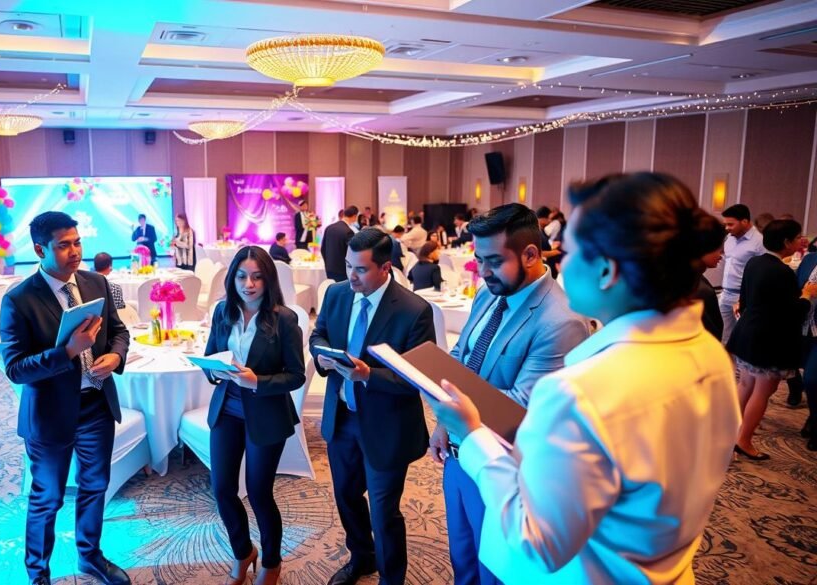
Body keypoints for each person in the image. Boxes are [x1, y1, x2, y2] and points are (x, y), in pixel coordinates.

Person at [427, 172, 741, 584]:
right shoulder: (708, 354)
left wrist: (472, 435)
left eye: (569, 252)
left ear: (608, 271)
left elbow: (537, 542)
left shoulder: (582, 390)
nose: (559, 261)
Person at [429, 201, 589, 585]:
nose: (482, 272)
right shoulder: (489, 294)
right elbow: (460, 357)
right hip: (459, 454)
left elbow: (521, 409)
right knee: (462, 562)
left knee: (494, 572)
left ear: (531, 254)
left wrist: (458, 415)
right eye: (478, 259)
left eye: (493, 261)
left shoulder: (561, 320)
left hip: (507, 470)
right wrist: (442, 423)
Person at [0, 211, 132, 585]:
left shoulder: (97, 283)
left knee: (95, 486)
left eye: (77, 242)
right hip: (49, 415)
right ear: (40, 249)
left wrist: (116, 356)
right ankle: (38, 573)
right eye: (64, 245)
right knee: (47, 498)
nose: (75, 252)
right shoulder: (19, 300)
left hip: (96, 405)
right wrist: (68, 352)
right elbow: (15, 369)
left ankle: (90, 556)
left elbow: (120, 331)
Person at [310, 228, 436, 585]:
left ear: (385, 268)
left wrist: (368, 375)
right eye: (349, 265)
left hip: (387, 426)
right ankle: (361, 558)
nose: (351, 275)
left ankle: (391, 578)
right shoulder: (336, 294)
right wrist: (325, 356)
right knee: (346, 497)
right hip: (342, 418)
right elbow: (317, 335)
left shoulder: (413, 310)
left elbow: (417, 379)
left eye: (361, 269)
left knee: (383, 512)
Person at [200, 246, 305, 585]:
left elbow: (296, 375)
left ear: (267, 280)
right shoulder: (222, 311)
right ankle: (243, 551)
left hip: (266, 413)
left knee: (259, 493)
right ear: (232, 278)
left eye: (257, 277)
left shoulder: (284, 319)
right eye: (242, 276)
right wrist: (215, 371)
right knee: (222, 490)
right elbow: (210, 357)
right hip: (227, 409)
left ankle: (271, 561)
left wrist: (256, 380)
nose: (249, 284)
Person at [726, 219, 817, 460]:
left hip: (746, 332)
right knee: (762, 391)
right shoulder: (782, 272)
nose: (801, 242)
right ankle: (744, 440)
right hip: (768, 339)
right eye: (798, 238)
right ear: (786, 242)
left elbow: (744, 299)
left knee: (745, 384)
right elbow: (792, 312)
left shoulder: (755, 262)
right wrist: (806, 295)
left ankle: (730, 433)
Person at [719, 204, 765, 343]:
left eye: (730, 224)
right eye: (725, 224)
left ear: (744, 222)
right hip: (725, 293)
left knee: (742, 337)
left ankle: (739, 365)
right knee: (724, 335)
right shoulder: (729, 239)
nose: (727, 228)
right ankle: (725, 364)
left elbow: (763, 272)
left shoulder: (759, 242)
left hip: (742, 297)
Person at [796, 248, 817, 450]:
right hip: (805, 330)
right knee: (805, 375)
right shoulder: (810, 259)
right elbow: (795, 287)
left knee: (812, 379)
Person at [694, 215, 727, 340]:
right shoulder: (699, 290)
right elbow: (710, 335)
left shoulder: (695, 280)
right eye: (719, 249)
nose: (721, 255)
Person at [321, 205, 359, 282]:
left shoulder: (329, 228)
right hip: (342, 271)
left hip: (329, 269)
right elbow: (352, 252)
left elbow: (323, 249)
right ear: (355, 216)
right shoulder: (348, 231)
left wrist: (327, 264)